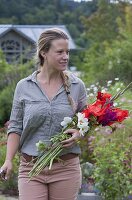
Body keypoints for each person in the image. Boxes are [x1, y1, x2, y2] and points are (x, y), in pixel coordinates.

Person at [0, 28, 87, 200]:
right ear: (44, 53)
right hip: (31, 168)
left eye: (67, 52)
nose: (66, 57)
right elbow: (16, 126)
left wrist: (79, 133)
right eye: (60, 52)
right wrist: (8, 160)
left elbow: (86, 120)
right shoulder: (24, 87)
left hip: (66, 167)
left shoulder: (77, 86)